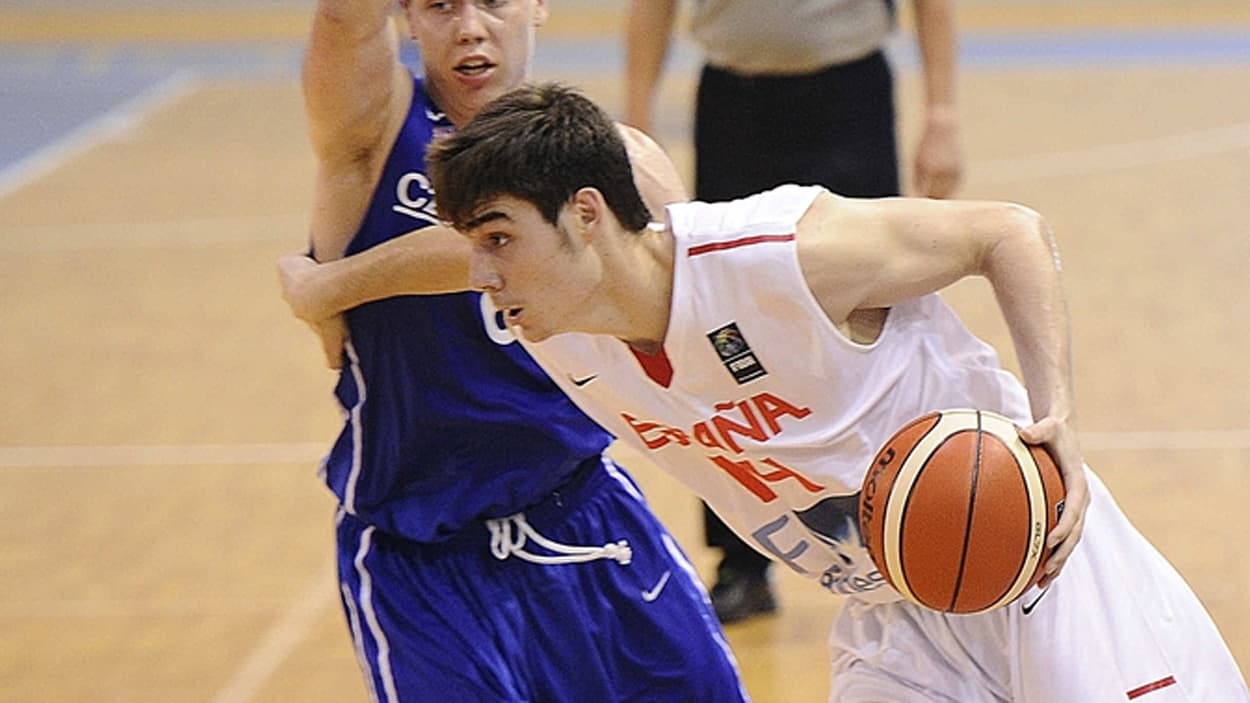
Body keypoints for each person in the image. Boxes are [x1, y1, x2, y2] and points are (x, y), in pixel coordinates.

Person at [416, 83, 1250, 702]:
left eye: (497, 241)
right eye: (473, 246)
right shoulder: (560, 325)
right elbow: (437, 258)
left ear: (588, 215)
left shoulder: (778, 255)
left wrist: (1055, 410)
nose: (480, 275)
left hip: (1030, 560)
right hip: (891, 617)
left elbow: (1007, 231)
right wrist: (328, 286)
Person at [293, 2, 745, 700]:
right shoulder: (374, 131)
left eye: (494, 2)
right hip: (423, 555)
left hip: (586, 515)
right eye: (441, 5)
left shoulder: (620, 165)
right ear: (407, 16)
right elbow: (343, 21)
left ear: (538, 5)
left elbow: (696, 344)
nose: (471, 28)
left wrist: (330, 286)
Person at [624, 0, 963, 621]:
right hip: (733, 103)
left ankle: (911, 532)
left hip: (848, 96)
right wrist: (638, 121)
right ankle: (741, 562)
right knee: (716, 319)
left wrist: (941, 112)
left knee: (878, 317)